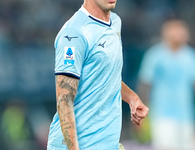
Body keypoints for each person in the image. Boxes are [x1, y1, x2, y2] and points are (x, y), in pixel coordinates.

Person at [47, 0, 149, 150]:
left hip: (107, 144)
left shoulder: (115, 22)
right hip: (78, 145)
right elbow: (64, 99)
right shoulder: (74, 34)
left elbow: (105, 74)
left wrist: (132, 98)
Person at [138, 19, 195, 150]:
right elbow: (145, 85)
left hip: (187, 115)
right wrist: (140, 113)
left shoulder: (192, 57)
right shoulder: (155, 55)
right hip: (162, 115)